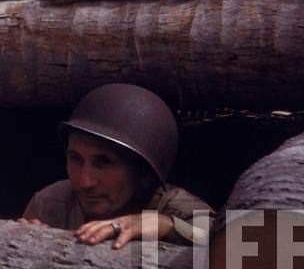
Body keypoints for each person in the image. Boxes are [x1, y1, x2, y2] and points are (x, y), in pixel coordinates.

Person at [20, 83, 210, 247]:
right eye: (75, 159)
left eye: (104, 162)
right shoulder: (51, 203)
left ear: (145, 173)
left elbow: (228, 244)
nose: (85, 182)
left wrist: (167, 226)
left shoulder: (176, 206)